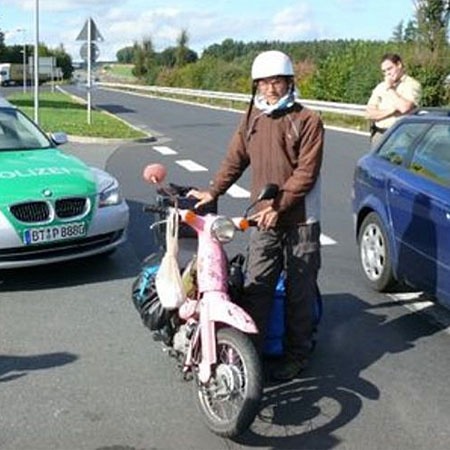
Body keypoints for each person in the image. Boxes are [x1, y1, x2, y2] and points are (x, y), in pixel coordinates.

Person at [188, 50, 324, 381]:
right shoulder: (253, 118)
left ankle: (297, 356)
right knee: (257, 286)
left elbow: (306, 173)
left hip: (301, 221)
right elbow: (235, 158)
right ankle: (252, 353)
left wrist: (278, 207)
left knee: (299, 291)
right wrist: (213, 191)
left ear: (290, 82)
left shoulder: (307, 120)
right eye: (263, 83)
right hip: (264, 220)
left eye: (276, 81)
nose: (269, 89)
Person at [366, 53, 422, 144]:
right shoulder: (380, 87)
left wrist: (390, 88)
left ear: (399, 65)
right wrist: (392, 110)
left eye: (390, 68)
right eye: (384, 71)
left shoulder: (411, 85)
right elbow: (369, 114)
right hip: (379, 134)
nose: (387, 73)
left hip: (400, 136)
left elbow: (404, 108)